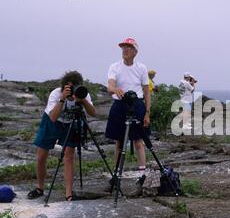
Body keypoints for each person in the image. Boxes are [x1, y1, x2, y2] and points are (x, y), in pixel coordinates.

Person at [27, 71, 96, 201]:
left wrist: (83, 101)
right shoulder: (56, 93)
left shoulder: (82, 93)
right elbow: (53, 117)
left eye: (75, 87)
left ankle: (68, 194)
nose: (72, 90)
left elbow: (93, 113)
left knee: (68, 157)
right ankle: (40, 188)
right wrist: (62, 99)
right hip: (51, 122)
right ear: (63, 87)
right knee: (41, 156)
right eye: (69, 87)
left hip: (72, 124)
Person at [104, 38, 151, 194]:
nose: (125, 49)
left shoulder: (141, 68)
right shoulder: (114, 66)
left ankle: (142, 175)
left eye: (129, 47)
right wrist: (114, 89)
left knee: (138, 141)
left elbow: (146, 91)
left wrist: (147, 113)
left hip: (137, 104)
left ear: (135, 51)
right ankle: (116, 175)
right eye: (123, 47)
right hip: (119, 104)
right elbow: (110, 85)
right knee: (118, 142)